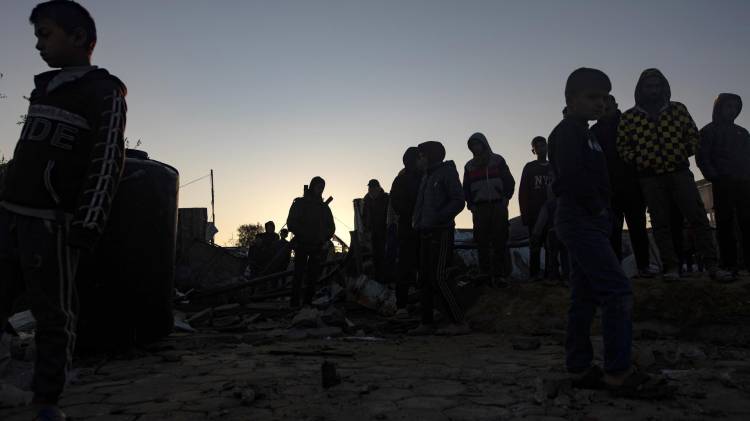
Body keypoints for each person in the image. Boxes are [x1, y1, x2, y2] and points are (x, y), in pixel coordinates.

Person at [0, 2, 127, 419]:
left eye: (46, 34)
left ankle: (46, 401)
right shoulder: (43, 88)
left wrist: (89, 222)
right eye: (37, 36)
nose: (39, 44)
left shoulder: (104, 92)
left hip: (51, 223)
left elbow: (107, 160)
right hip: (9, 214)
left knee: (53, 313)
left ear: (78, 38)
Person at [549, 68, 640, 393]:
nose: (600, 103)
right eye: (592, 97)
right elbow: (571, 178)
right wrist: (598, 209)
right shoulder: (567, 133)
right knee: (617, 290)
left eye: (604, 98)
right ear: (571, 99)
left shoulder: (589, 134)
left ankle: (579, 367)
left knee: (584, 296)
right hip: (579, 217)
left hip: (592, 219)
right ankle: (618, 372)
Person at [617, 69, 733, 283]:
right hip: (649, 178)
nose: (653, 90)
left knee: (697, 217)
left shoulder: (677, 109)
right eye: (648, 86)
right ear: (641, 89)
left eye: (657, 85)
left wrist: (680, 153)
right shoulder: (630, 117)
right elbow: (622, 146)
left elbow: (693, 135)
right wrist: (640, 159)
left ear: (664, 87)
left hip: (679, 171)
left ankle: (712, 266)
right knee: (660, 223)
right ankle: (671, 267)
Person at [590, 95, 656, 278]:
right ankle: (614, 270)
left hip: (633, 185)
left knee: (638, 227)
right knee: (612, 232)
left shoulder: (629, 123)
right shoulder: (593, 131)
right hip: (608, 189)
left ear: (615, 104)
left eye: (608, 103)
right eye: (601, 104)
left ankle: (643, 266)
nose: (605, 106)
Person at [410, 141, 468, 336]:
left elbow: (459, 200)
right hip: (424, 232)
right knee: (424, 279)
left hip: (441, 232)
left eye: (421, 155)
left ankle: (459, 322)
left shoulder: (447, 173)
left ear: (430, 156)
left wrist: (439, 218)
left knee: (439, 276)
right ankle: (426, 323)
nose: (419, 159)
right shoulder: (427, 176)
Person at [697, 93, 750, 275]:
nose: (732, 110)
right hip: (723, 183)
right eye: (728, 106)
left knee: (746, 222)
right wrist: (716, 177)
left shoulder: (743, 133)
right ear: (719, 107)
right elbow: (703, 157)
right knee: (725, 223)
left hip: (744, 183)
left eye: (736, 107)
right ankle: (728, 263)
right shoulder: (708, 131)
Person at [463, 132, 515, 282]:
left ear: (484, 144)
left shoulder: (498, 160)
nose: (475, 147)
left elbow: (509, 181)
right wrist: (470, 204)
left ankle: (500, 274)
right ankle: (485, 272)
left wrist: (505, 198)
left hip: (498, 204)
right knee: (481, 240)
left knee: (500, 238)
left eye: (477, 144)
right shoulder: (469, 166)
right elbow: (466, 188)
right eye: (472, 145)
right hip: (479, 208)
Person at [286, 177, 335, 308]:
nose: (320, 189)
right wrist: (303, 233)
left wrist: (322, 237)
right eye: (318, 186)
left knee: (313, 276)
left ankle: (308, 302)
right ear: (313, 186)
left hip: (316, 246)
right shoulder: (300, 203)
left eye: (322, 187)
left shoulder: (324, 208)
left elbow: (331, 227)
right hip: (301, 244)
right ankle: (294, 303)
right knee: (298, 274)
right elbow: (291, 222)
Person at [389, 147, 422, 317]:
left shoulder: (425, 176)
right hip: (408, 229)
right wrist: (414, 213)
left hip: (423, 229)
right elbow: (396, 203)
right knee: (405, 267)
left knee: (423, 267)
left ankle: (423, 303)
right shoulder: (401, 180)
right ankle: (401, 305)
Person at [519, 136, 552, 281]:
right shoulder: (530, 167)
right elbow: (523, 192)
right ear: (534, 150)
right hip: (534, 214)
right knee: (535, 245)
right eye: (537, 146)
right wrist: (525, 214)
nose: (541, 149)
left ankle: (551, 274)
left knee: (552, 245)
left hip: (552, 214)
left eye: (543, 145)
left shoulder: (554, 167)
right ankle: (534, 275)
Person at [362, 179, 390, 283]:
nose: (371, 190)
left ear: (378, 188)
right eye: (369, 187)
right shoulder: (366, 200)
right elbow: (364, 216)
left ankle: (385, 280)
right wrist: (366, 228)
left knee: (384, 257)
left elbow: (390, 215)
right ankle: (376, 280)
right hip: (371, 234)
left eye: (373, 187)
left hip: (384, 233)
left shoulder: (386, 198)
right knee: (374, 258)